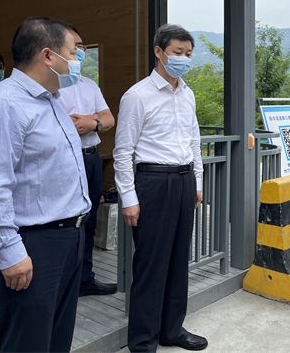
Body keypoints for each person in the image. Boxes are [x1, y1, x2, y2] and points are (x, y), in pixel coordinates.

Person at [0, 16, 91, 352]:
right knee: (28, 343)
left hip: (69, 236)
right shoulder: (3, 104)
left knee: (56, 340)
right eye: (72, 51)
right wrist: (8, 251)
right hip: (33, 243)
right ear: (47, 56)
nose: (77, 59)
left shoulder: (52, 100)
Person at [113, 24, 207, 352]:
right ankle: (143, 342)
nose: (184, 58)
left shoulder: (188, 93)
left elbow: (194, 141)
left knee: (178, 260)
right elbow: (123, 151)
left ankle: (172, 330)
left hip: (184, 181)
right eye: (177, 52)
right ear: (158, 51)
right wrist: (128, 197)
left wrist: (197, 182)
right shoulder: (137, 95)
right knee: (151, 265)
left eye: (188, 53)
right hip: (152, 183)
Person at [57, 26, 117, 297]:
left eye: (81, 46)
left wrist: (92, 122)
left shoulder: (89, 85)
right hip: (65, 159)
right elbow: (63, 123)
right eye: (74, 46)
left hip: (91, 158)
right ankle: (63, 282)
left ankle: (85, 279)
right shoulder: (52, 85)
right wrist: (93, 119)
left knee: (89, 220)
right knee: (65, 222)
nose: (79, 51)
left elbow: (109, 118)